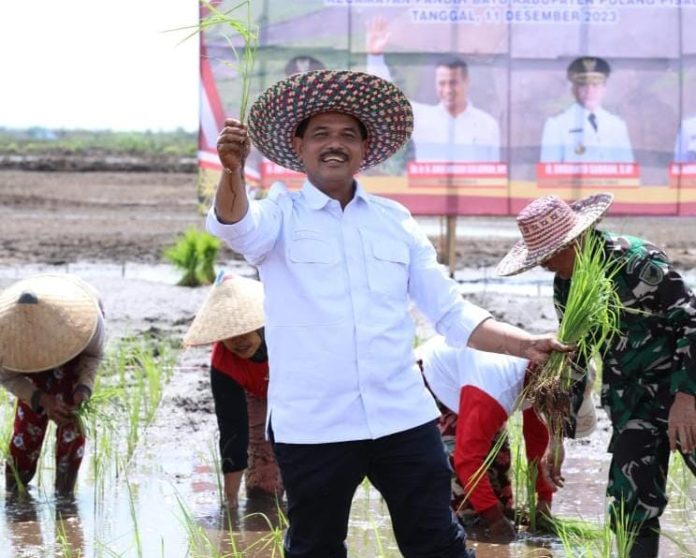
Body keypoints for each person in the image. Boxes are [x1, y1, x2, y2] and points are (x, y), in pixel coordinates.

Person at [207, 68, 568, 558]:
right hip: (314, 424)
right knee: (315, 547)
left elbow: (450, 311)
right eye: (321, 134)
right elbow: (236, 228)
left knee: (438, 543)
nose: (334, 145)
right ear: (299, 145)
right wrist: (232, 170)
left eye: (347, 136)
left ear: (363, 148)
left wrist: (524, 345)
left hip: (401, 416)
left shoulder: (393, 221)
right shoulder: (279, 214)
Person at [496, 193, 696, 558]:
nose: (543, 266)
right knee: (629, 501)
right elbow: (572, 359)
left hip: (686, 388)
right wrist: (557, 435)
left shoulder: (637, 263)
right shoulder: (566, 284)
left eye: (548, 255)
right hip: (633, 402)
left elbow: (692, 322)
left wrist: (686, 398)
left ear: (574, 240)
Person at [417, 335, 577, 542]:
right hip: (433, 379)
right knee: (463, 499)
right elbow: (467, 460)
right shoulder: (497, 389)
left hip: (473, 381)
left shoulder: (542, 379)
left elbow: (537, 439)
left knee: (498, 468)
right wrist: (495, 520)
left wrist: (544, 500)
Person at [183, 272, 282, 508]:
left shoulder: (287, 338)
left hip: (296, 392)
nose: (237, 341)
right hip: (254, 392)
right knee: (263, 488)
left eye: (243, 330)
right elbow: (232, 430)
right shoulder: (224, 362)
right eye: (229, 335)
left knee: (302, 463)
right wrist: (229, 504)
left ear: (260, 324)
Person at [0, 274, 105, 496]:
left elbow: (93, 355)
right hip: (29, 369)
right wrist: (40, 398)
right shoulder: (6, 336)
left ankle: (64, 496)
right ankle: (15, 492)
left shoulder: (87, 320)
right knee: (27, 434)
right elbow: (7, 376)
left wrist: (83, 389)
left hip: (73, 362)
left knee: (71, 426)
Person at [365, 17, 500, 162]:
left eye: (453, 83)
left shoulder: (487, 124)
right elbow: (386, 101)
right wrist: (375, 57)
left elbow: (494, 175)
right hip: (427, 185)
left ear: (466, 82)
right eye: (442, 83)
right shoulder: (423, 118)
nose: (447, 90)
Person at [540, 57, 633, 163]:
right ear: (574, 90)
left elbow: (627, 169)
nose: (590, 91)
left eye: (595, 85)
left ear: (604, 89)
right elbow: (549, 170)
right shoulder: (557, 124)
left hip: (610, 180)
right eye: (583, 85)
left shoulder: (617, 125)